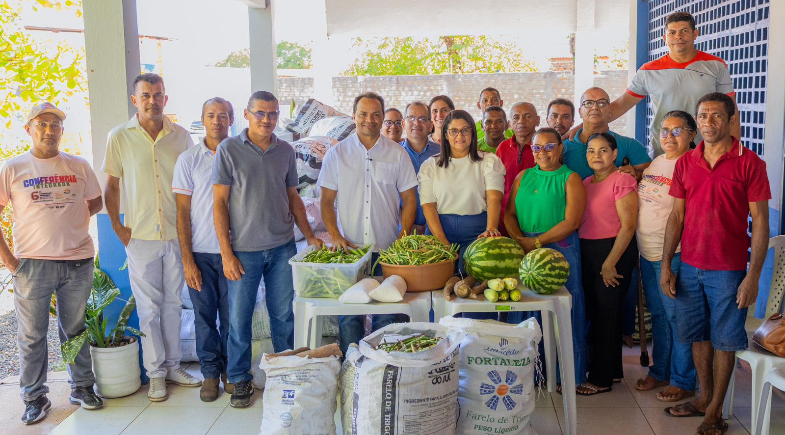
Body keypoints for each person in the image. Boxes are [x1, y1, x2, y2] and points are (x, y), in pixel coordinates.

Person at [660, 93, 770, 435]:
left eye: (716, 116)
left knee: (725, 340)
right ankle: (704, 398)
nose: (708, 122)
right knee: (698, 336)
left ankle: (715, 413)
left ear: (731, 119)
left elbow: (760, 222)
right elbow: (677, 216)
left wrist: (753, 276)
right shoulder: (686, 162)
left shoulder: (750, 163)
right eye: (703, 116)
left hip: (728, 270)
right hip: (690, 265)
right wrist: (667, 265)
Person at [213, 91, 323, 408]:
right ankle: (239, 379)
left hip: (282, 248)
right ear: (246, 114)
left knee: (283, 316)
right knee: (239, 319)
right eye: (260, 113)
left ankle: (283, 372)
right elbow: (219, 203)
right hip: (243, 251)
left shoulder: (285, 150)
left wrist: (309, 236)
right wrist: (226, 253)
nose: (267, 119)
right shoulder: (229, 149)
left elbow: (293, 197)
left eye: (273, 114)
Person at [0, 102, 104, 424]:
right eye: (42, 124)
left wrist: (74, 219)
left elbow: (95, 200)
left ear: (62, 130)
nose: (49, 130)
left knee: (75, 329)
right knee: (32, 335)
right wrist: (9, 261)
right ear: (28, 129)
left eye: (55, 124)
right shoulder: (13, 168)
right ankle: (34, 397)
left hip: (78, 262)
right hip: (32, 266)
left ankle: (81, 387)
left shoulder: (78, 165)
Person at [103, 73, 201, 402]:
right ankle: (156, 374)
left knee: (173, 305)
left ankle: (173, 367)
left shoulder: (181, 136)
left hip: (176, 234)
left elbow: (192, 184)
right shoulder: (119, 136)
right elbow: (111, 186)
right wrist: (118, 228)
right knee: (148, 309)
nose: (152, 101)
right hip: (140, 236)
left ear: (165, 99)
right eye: (145, 95)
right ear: (135, 100)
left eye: (158, 95)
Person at [318, 92, 418, 355]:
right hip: (350, 251)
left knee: (387, 314)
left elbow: (410, 199)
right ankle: (351, 366)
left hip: (387, 250)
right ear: (354, 116)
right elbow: (326, 201)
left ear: (383, 117)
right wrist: (335, 236)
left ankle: (381, 366)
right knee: (350, 315)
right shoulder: (337, 154)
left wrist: (402, 239)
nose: (369, 119)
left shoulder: (397, 154)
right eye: (363, 114)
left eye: (375, 114)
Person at [571, 12, 739, 157]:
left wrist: (735, 151)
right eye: (672, 32)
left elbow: (731, 112)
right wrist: (582, 127)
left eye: (684, 31)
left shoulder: (716, 65)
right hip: (664, 152)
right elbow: (619, 106)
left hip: (708, 152)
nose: (678, 36)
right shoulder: (648, 71)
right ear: (665, 38)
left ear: (695, 34)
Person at [503, 127, 588, 389]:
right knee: (525, 308)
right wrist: (520, 240)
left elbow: (572, 222)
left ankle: (566, 376)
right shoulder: (523, 176)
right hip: (525, 248)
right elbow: (509, 214)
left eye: (549, 146)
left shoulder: (570, 178)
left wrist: (537, 242)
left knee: (563, 310)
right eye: (537, 147)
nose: (543, 152)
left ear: (560, 149)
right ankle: (528, 374)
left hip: (559, 246)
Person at [173, 97, 234, 402]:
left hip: (234, 253)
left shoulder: (239, 155)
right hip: (200, 253)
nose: (217, 121)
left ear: (231, 120)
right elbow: (182, 212)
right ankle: (210, 373)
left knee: (233, 317)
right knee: (204, 316)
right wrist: (187, 260)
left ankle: (232, 371)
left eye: (223, 115)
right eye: (211, 115)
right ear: (203, 119)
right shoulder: (189, 160)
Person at [633, 111, 698, 402]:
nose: (668, 136)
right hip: (647, 251)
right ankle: (661, 371)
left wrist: (668, 259)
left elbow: (685, 215)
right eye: (664, 130)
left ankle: (683, 380)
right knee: (659, 315)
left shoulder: (692, 164)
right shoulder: (658, 161)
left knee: (677, 318)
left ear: (692, 135)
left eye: (677, 130)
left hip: (674, 254)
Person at [578, 132, 639, 396]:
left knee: (606, 314)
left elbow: (629, 226)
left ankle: (600, 379)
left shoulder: (622, 180)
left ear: (614, 154)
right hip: (588, 250)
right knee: (599, 313)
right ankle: (612, 370)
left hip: (614, 251)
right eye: (591, 151)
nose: (596, 155)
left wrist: (609, 262)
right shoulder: (585, 182)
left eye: (603, 150)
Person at [419, 109, 505, 274]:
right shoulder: (430, 165)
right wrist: (443, 243)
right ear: (446, 134)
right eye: (453, 131)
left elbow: (494, 199)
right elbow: (428, 206)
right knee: (438, 279)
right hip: (439, 230)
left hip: (477, 232)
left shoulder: (489, 161)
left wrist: (491, 229)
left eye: (465, 130)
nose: (460, 135)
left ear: (472, 132)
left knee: (470, 277)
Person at [563, 87, 651, 180]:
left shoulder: (629, 145)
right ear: (580, 112)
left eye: (601, 103)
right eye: (588, 103)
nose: (595, 107)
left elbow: (653, 177)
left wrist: (636, 175)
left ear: (610, 110)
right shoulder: (563, 147)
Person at [496, 102, 539, 235]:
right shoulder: (502, 148)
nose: (521, 121)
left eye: (527, 116)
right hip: (504, 220)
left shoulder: (543, 149)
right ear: (509, 123)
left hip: (535, 220)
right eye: (516, 117)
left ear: (537, 120)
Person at [400, 101, 440, 235]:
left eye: (423, 119)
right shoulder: (393, 154)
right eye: (411, 118)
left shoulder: (442, 154)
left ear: (431, 125)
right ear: (403, 124)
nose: (416, 123)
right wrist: (406, 225)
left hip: (437, 229)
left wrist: (431, 225)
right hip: (401, 231)